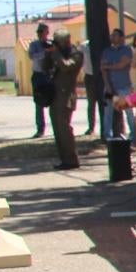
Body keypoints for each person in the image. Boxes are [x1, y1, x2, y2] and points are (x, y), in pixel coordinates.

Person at [44, 31, 84, 169]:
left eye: (58, 43)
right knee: (57, 129)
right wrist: (48, 55)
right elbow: (46, 69)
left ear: (66, 42)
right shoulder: (58, 55)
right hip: (55, 96)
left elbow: (67, 67)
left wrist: (55, 54)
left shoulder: (76, 53)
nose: (57, 46)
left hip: (67, 96)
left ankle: (72, 159)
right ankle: (64, 159)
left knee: (64, 128)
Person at [100, 29, 135, 138]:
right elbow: (103, 69)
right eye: (112, 35)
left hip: (124, 86)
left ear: (121, 38)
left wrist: (108, 66)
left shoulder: (126, 50)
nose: (112, 37)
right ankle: (107, 136)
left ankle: (134, 135)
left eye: (115, 35)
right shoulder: (106, 51)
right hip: (110, 86)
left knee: (129, 112)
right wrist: (107, 85)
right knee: (108, 113)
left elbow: (122, 65)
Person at [28, 23, 52, 138]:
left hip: (49, 76)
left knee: (53, 102)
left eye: (43, 31)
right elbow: (32, 56)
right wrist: (45, 52)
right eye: (39, 32)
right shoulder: (34, 45)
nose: (41, 34)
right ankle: (40, 129)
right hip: (38, 75)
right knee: (39, 103)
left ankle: (57, 127)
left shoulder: (52, 44)